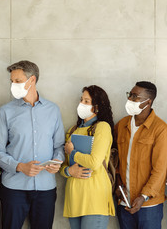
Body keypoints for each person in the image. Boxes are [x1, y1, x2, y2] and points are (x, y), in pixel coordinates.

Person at [0, 60, 65, 229]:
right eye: (12, 81)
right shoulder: (5, 111)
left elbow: (59, 146)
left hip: (46, 187)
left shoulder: (53, 110)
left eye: (17, 81)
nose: (13, 85)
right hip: (13, 188)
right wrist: (19, 167)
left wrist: (57, 162)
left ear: (32, 80)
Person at [114, 81, 167, 229]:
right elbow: (116, 161)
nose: (130, 100)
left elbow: (160, 170)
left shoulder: (161, 130)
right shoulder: (121, 125)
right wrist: (119, 186)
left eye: (135, 97)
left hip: (148, 205)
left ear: (148, 101)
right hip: (124, 202)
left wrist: (143, 196)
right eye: (130, 95)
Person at [60, 85, 115, 229]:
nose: (81, 104)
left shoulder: (102, 127)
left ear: (96, 107)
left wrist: (73, 152)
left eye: (86, 101)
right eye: (81, 100)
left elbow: (95, 162)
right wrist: (68, 171)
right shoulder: (73, 130)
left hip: (95, 197)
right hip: (74, 197)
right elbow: (63, 166)